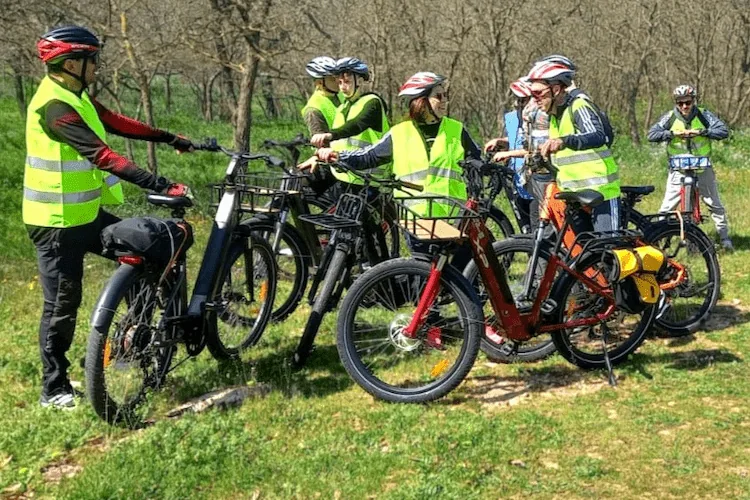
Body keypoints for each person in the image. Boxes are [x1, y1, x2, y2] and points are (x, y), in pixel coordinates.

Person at [27, 26, 193, 409]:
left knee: (149, 246)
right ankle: (54, 388)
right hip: (54, 224)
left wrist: (169, 138)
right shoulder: (55, 107)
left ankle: (138, 332)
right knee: (61, 306)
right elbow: (103, 156)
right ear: (72, 63)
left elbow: (117, 121)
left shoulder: (77, 96)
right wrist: (161, 184)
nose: (98, 66)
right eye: (92, 60)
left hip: (84, 215)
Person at [312, 72, 481, 268]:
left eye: (446, 96)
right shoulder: (400, 133)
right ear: (421, 101)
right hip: (415, 219)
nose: (445, 101)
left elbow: (477, 163)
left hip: (452, 218)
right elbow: (369, 156)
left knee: (463, 272)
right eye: (439, 96)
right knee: (424, 276)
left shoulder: (457, 130)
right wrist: (337, 156)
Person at [527, 59, 621, 233]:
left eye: (538, 94)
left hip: (601, 193)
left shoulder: (578, 106)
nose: (534, 100)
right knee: (580, 254)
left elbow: (598, 136)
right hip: (573, 196)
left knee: (609, 250)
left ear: (556, 89)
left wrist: (564, 141)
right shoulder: (554, 117)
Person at [647, 85, 732, 250]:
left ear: (694, 101)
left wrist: (703, 132)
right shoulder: (670, 117)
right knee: (666, 207)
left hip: (702, 167)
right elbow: (652, 134)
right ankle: (654, 240)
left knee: (714, 203)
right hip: (678, 169)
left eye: (688, 102)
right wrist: (672, 134)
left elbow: (723, 131)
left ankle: (725, 238)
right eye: (680, 103)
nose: (684, 106)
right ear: (676, 103)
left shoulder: (703, 114)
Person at [308, 57, 390, 185]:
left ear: (361, 81)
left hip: (369, 179)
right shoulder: (342, 107)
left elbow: (357, 125)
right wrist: (316, 155)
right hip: (344, 176)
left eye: (347, 82)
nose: (342, 87)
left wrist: (330, 135)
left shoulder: (373, 102)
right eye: (339, 82)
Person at [301, 56, 340, 135]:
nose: (338, 81)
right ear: (319, 82)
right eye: (332, 79)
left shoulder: (341, 96)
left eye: (338, 77)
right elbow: (321, 142)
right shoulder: (313, 110)